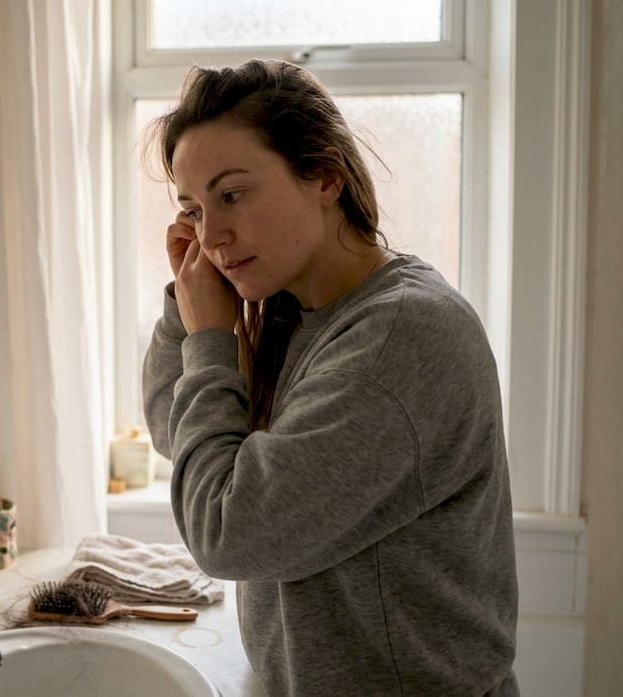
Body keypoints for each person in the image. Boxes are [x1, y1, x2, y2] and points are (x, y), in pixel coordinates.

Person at [142, 60, 518, 696]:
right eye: (194, 210)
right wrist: (184, 307)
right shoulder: (293, 309)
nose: (214, 236)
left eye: (232, 195)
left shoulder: (398, 337)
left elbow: (227, 535)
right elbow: (173, 433)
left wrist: (209, 338)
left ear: (323, 175)